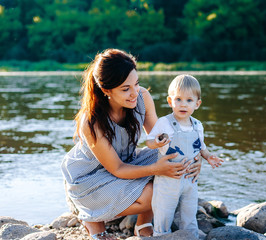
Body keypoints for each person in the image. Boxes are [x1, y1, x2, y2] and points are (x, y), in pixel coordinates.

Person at [61, 49, 202, 239]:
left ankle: (143, 222)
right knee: (154, 193)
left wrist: (195, 159)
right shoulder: (91, 121)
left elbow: (163, 139)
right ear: (106, 90)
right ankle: (92, 218)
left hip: (127, 162)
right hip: (90, 176)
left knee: (176, 159)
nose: (134, 93)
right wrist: (156, 169)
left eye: (136, 84)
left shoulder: (142, 97)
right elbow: (117, 169)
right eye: (125, 88)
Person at [146, 74, 223, 237]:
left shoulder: (197, 125)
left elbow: (201, 147)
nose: (183, 104)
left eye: (189, 100)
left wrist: (209, 157)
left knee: (189, 212)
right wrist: (158, 142)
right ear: (170, 101)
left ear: (197, 104)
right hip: (168, 180)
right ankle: (161, 234)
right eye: (178, 99)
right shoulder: (164, 122)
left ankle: (190, 235)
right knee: (164, 210)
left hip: (190, 179)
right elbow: (149, 142)